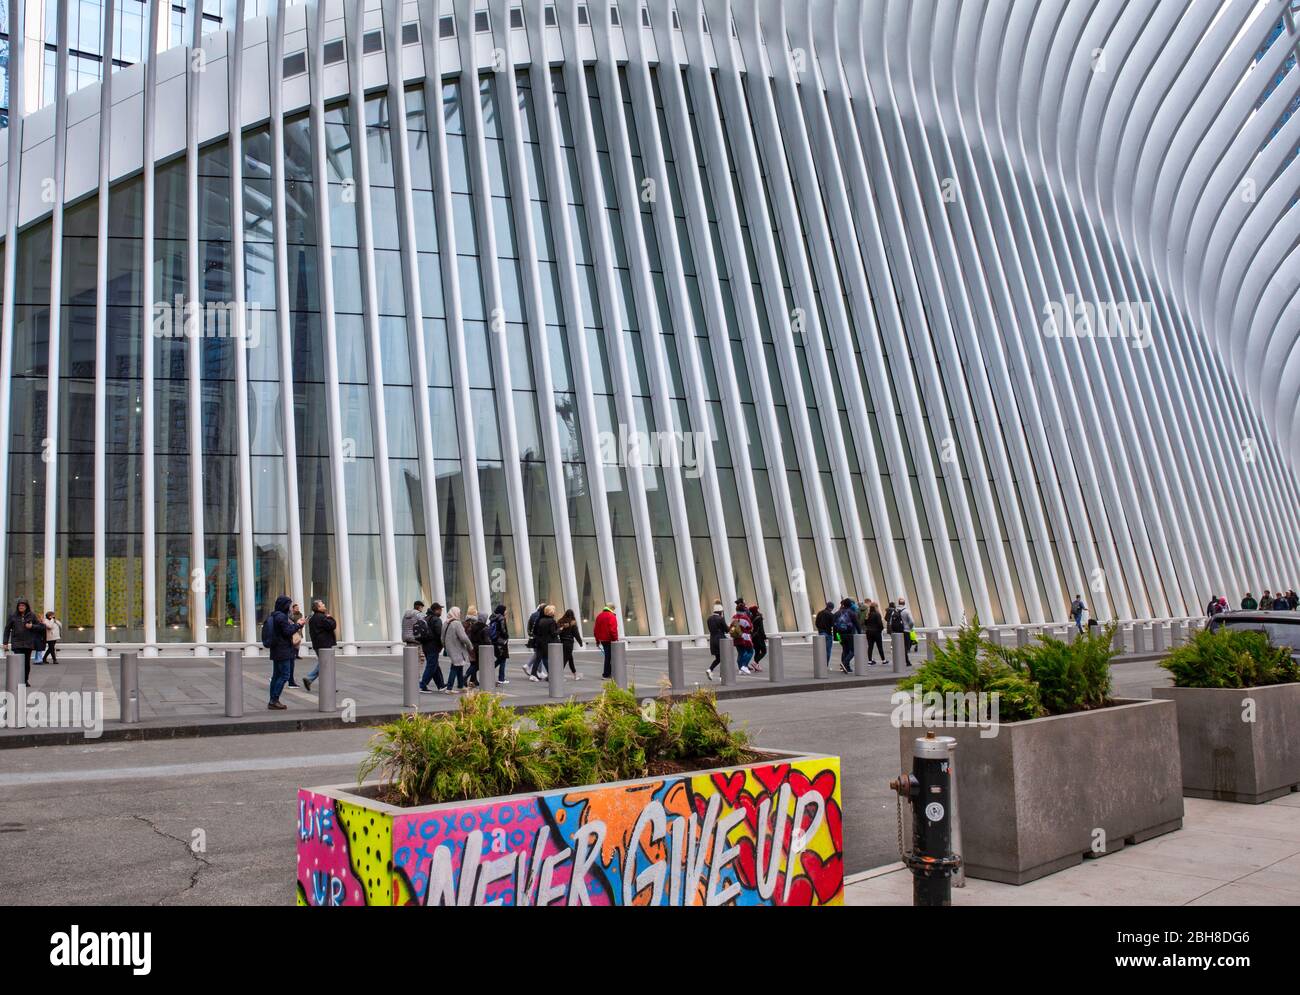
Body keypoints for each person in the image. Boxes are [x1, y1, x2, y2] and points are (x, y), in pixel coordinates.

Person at [265, 595, 302, 710]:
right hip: (283, 650)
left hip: (277, 649)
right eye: (289, 605)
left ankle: (272, 700)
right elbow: (287, 632)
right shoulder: (281, 617)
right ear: (285, 605)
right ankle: (274, 700)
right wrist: (299, 625)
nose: (290, 607)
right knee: (285, 675)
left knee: (276, 675)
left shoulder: (275, 615)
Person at [302, 599, 336, 692]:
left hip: (317, 644)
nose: (324, 605)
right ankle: (310, 679)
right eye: (322, 604)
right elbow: (332, 626)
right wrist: (331, 618)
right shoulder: (322, 617)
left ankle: (328, 686)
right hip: (324, 645)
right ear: (318, 607)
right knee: (325, 664)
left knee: (324, 664)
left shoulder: (313, 618)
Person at [3, 599, 37, 683]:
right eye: (19, 605)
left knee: (26, 664)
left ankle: (25, 680)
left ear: (26, 607)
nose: (21, 607)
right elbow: (7, 629)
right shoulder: (13, 616)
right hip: (17, 643)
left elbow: (40, 627)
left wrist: (32, 626)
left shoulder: (32, 615)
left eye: (23, 605)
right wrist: (5, 642)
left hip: (28, 643)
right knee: (18, 662)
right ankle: (19, 680)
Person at [442, 607, 472, 693]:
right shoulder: (457, 624)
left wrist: (446, 646)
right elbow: (463, 637)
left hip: (450, 648)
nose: (460, 614)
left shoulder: (445, 623)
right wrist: (470, 646)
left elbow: (442, 638)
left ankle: (460, 685)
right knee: (455, 667)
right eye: (459, 612)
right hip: (457, 649)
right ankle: (449, 688)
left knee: (459, 666)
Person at [417, 602, 445, 693]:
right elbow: (439, 634)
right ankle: (422, 685)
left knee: (434, 665)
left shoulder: (426, 618)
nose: (441, 611)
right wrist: (442, 644)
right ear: (436, 610)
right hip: (433, 646)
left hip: (425, 645)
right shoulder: (436, 620)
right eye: (440, 609)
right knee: (431, 666)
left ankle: (440, 685)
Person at [527, 605, 558, 681]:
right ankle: (551, 675)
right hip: (547, 643)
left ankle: (533, 674)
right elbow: (553, 633)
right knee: (546, 659)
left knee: (539, 659)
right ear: (551, 612)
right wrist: (560, 630)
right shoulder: (551, 621)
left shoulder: (540, 620)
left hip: (539, 641)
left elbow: (536, 631)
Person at [832, 598, 858, 673]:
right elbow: (857, 625)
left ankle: (846, 667)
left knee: (845, 649)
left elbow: (834, 626)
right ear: (850, 604)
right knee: (853, 650)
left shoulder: (837, 613)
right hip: (849, 634)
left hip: (839, 634)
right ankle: (844, 663)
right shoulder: (851, 613)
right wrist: (860, 634)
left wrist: (836, 637)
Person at [594, 603, 619, 678]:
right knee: (610, 657)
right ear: (612, 608)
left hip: (602, 640)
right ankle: (607, 673)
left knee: (608, 656)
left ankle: (607, 673)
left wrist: (597, 641)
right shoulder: (611, 616)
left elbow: (596, 630)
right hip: (610, 639)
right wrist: (615, 639)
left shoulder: (599, 616)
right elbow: (613, 629)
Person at [557, 608, 583, 678]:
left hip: (562, 642)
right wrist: (580, 642)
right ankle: (557, 675)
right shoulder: (572, 623)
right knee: (565, 659)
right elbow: (576, 634)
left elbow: (557, 631)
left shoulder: (560, 621)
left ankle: (575, 674)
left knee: (570, 658)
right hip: (569, 643)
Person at [488, 604, 511, 684]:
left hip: (494, 640)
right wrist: (506, 636)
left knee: (500, 658)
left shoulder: (493, 618)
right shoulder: (501, 618)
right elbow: (503, 630)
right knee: (503, 659)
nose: (506, 611)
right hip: (501, 641)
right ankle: (501, 678)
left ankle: (489, 671)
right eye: (505, 610)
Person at [705, 602, 728, 680]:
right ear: (720, 611)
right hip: (721, 640)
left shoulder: (709, 619)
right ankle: (722, 676)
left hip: (713, 639)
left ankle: (710, 669)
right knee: (724, 658)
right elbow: (727, 630)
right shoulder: (721, 619)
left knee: (718, 658)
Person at [730, 604, 755, 674]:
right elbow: (750, 627)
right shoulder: (745, 618)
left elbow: (731, 627)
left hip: (736, 637)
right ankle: (744, 666)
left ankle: (740, 669)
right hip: (745, 638)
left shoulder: (734, 617)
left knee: (740, 653)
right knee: (750, 651)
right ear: (743, 610)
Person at [891, 597, 916, 662]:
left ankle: (899, 661)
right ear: (904, 603)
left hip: (897, 631)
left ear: (898, 603)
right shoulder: (906, 611)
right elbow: (912, 622)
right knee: (906, 647)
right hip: (906, 631)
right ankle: (906, 661)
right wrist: (910, 627)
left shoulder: (894, 611)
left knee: (898, 646)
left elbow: (891, 621)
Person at [288, 603, 304, 687]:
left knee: (297, 645)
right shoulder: (287, 617)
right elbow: (288, 629)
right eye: (296, 608)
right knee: (288, 662)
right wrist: (297, 624)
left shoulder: (300, 614)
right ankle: (289, 681)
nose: (297, 609)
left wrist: (300, 624)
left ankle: (290, 680)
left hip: (296, 632)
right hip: (289, 640)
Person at [814, 601, 835, 665]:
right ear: (832, 608)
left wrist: (820, 629)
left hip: (821, 633)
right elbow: (833, 624)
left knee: (821, 650)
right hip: (828, 633)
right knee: (828, 650)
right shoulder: (831, 615)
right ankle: (825, 664)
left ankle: (820, 664)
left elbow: (816, 623)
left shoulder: (820, 613)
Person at [749, 605, 767, 672]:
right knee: (764, 651)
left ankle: (757, 666)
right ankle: (755, 662)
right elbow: (761, 629)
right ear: (756, 610)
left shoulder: (750, 617)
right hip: (759, 637)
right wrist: (764, 637)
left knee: (757, 651)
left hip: (753, 637)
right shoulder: (759, 618)